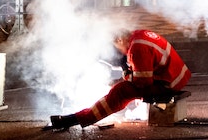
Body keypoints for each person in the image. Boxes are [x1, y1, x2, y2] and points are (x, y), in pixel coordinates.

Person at [49, 28, 191, 130]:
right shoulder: (139, 35)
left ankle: (76, 119)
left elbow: (142, 82)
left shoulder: (137, 48)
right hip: (175, 76)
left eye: (117, 47)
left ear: (120, 39)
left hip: (168, 83)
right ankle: (79, 117)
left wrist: (125, 75)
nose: (120, 52)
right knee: (123, 87)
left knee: (120, 92)